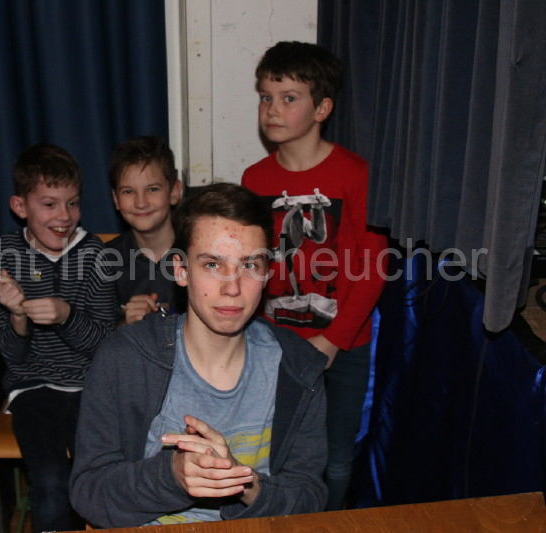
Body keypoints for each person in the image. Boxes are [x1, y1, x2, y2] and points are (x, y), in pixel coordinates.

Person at [70, 182, 328, 528]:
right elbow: (89, 492)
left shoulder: (298, 367)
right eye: (212, 265)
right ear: (180, 270)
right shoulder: (125, 359)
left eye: (250, 265)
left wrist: (247, 485)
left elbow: (310, 496)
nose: (233, 288)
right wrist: (172, 477)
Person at [240, 40, 388, 511]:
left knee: (336, 458)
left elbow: (373, 268)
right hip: (275, 343)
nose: (272, 109)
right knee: (274, 452)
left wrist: (333, 341)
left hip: (343, 345)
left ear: (322, 108)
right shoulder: (254, 180)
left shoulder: (356, 175)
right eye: (266, 97)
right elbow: (252, 263)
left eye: (289, 98)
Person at [0, 143, 117, 533]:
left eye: (72, 203)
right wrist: (18, 316)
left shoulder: (95, 254)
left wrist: (66, 316)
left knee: (97, 478)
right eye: (49, 204)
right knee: (52, 482)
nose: (64, 216)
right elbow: (12, 357)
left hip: (90, 386)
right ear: (20, 206)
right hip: (33, 389)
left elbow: (104, 345)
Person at [105, 136, 183, 325]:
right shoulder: (105, 261)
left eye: (153, 189)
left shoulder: (198, 254)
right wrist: (126, 326)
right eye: (128, 191)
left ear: (174, 192)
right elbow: (97, 335)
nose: (141, 203)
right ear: (116, 199)